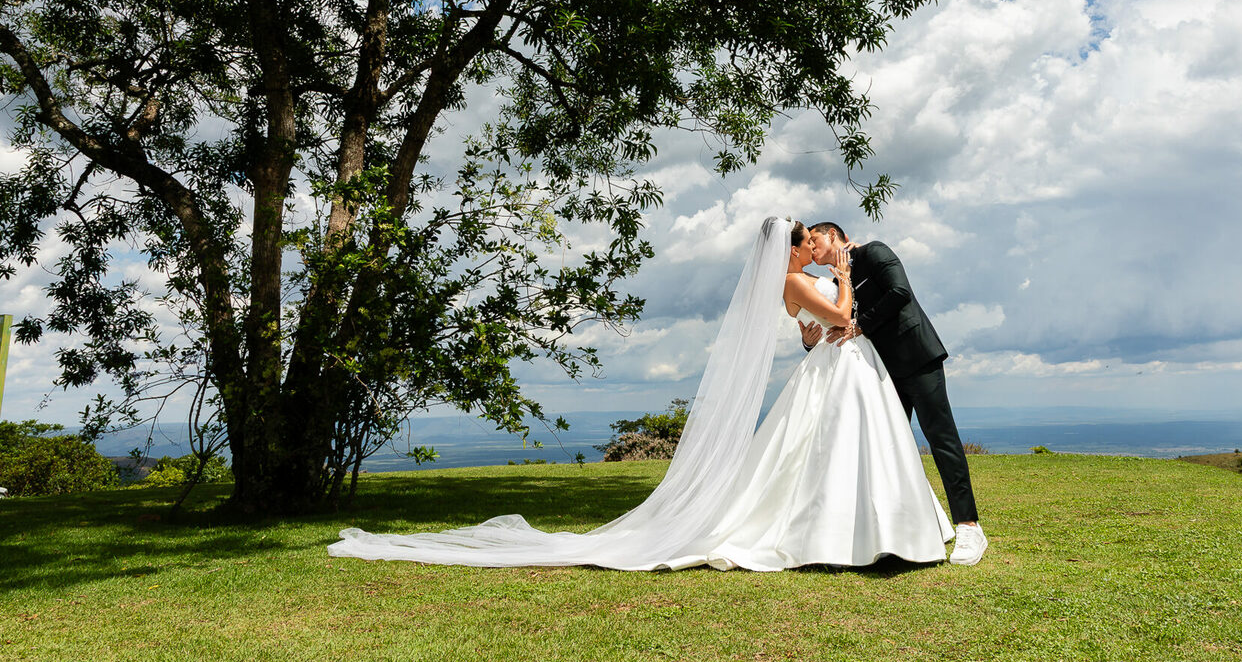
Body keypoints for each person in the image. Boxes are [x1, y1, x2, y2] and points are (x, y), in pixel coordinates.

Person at [327, 216, 956, 570]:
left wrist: (824, 319)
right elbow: (842, 321)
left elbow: (809, 338)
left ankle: (863, 532)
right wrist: (843, 282)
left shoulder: (789, 287)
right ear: (792, 251)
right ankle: (855, 534)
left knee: (813, 456)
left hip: (832, 371)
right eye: (807, 244)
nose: (815, 251)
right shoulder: (803, 281)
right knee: (820, 457)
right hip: (838, 369)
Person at [801, 222, 988, 565]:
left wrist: (861, 325)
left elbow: (900, 292)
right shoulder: (833, 282)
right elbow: (836, 325)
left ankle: (969, 527)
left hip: (917, 357)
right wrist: (809, 341)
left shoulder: (874, 252)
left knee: (941, 439)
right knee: (887, 451)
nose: (811, 248)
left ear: (833, 235)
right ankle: (897, 533)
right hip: (879, 373)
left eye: (814, 240)